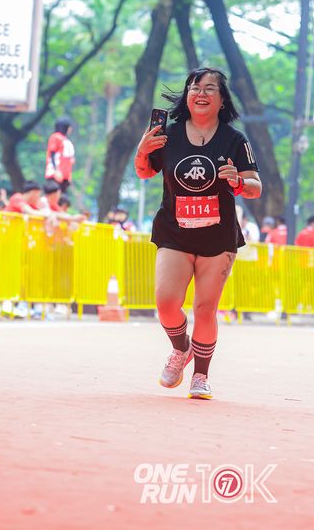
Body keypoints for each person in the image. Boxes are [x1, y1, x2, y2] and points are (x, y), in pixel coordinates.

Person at [134, 67, 262, 399]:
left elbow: (255, 187)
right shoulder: (167, 135)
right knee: (166, 302)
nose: (200, 93)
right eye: (194, 88)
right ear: (187, 96)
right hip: (174, 231)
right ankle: (181, 349)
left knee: (205, 308)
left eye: (209, 88)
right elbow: (144, 173)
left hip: (217, 237)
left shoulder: (235, 140)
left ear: (222, 100)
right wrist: (143, 151)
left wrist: (237, 181)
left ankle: (201, 376)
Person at [45, 117, 75, 193]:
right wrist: (56, 171)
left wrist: (69, 175)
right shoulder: (56, 137)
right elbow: (52, 154)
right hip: (55, 174)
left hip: (65, 176)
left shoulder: (66, 140)